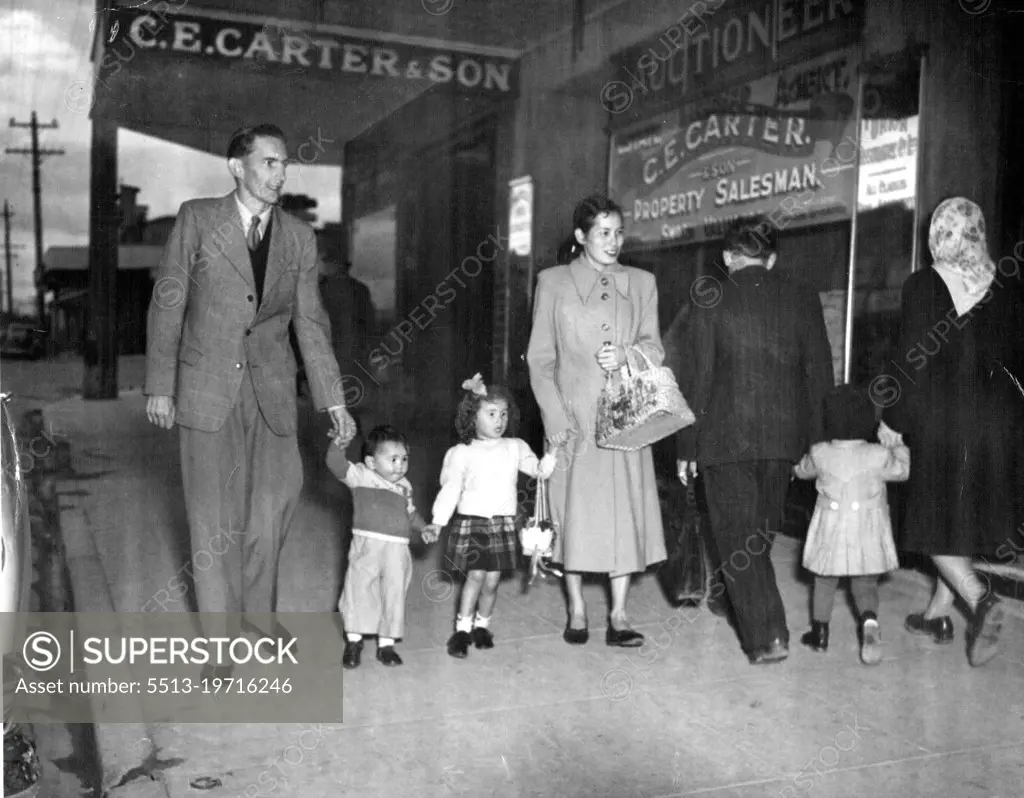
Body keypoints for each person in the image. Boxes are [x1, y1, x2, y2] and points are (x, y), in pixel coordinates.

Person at [144, 124, 355, 678]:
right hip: (205, 387)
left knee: (274, 508)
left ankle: (258, 621)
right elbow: (169, 301)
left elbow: (311, 325)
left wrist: (333, 400)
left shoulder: (298, 238)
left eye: (283, 165)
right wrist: (160, 384)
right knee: (213, 519)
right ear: (237, 167)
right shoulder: (197, 218)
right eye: (268, 163)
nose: (279, 174)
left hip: (272, 390)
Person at [676, 216, 833, 665]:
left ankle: (767, 634)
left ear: (728, 257)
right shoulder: (803, 297)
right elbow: (819, 374)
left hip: (724, 439)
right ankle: (730, 599)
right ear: (772, 257)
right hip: (783, 438)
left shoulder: (711, 297)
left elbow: (699, 379)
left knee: (738, 535)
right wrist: (817, 441)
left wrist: (688, 446)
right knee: (757, 532)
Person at [880, 196, 1024, 667]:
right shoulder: (1005, 287)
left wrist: (892, 420)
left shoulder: (923, 284)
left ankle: (980, 599)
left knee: (929, 519)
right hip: (997, 424)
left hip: (943, 420)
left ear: (939, 235)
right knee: (957, 516)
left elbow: (912, 359)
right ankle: (938, 613)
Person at [526, 194, 667, 649]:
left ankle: (620, 615)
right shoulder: (553, 282)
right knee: (572, 517)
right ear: (581, 236)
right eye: (603, 232)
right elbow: (540, 358)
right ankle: (577, 611)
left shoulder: (643, 283)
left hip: (625, 417)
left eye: (618, 232)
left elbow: (656, 349)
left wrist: (627, 354)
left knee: (625, 515)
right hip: (573, 421)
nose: (613, 241)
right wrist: (553, 417)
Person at [431, 374, 555, 659]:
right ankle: (461, 630)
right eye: (491, 414)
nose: (499, 421)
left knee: (492, 581)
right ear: (472, 417)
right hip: (472, 522)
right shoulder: (461, 453)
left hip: (502, 523)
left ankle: (482, 626)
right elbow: (450, 489)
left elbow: (539, 471)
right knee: (475, 576)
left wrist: (552, 452)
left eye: (503, 414)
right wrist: (437, 522)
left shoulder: (515, 447)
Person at [793, 385, 910, 665]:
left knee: (824, 580)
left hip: (831, 529)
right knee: (865, 582)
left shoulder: (821, 452)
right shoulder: (877, 454)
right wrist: (899, 447)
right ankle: (869, 622)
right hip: (866, 530)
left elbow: (800, 470)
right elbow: (903, 472)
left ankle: (819, 634)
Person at [327, 425, 439, 668]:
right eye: (392, 459)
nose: (400, 465)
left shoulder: (405, 487)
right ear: (370, 461)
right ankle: (354, 641)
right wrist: (339, 442)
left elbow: (410, 514)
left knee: (394, 593)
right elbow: (335, 464)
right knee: (358, 590)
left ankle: (386, 644)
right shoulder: (361, 476)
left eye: (404, 459)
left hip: (397, 550)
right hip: (367, 546)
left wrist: (424, 528)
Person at [318, 240, 376, 378]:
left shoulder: (321, 291)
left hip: (337, 354)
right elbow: (370, 324)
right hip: (353, 355)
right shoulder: (360, 289)